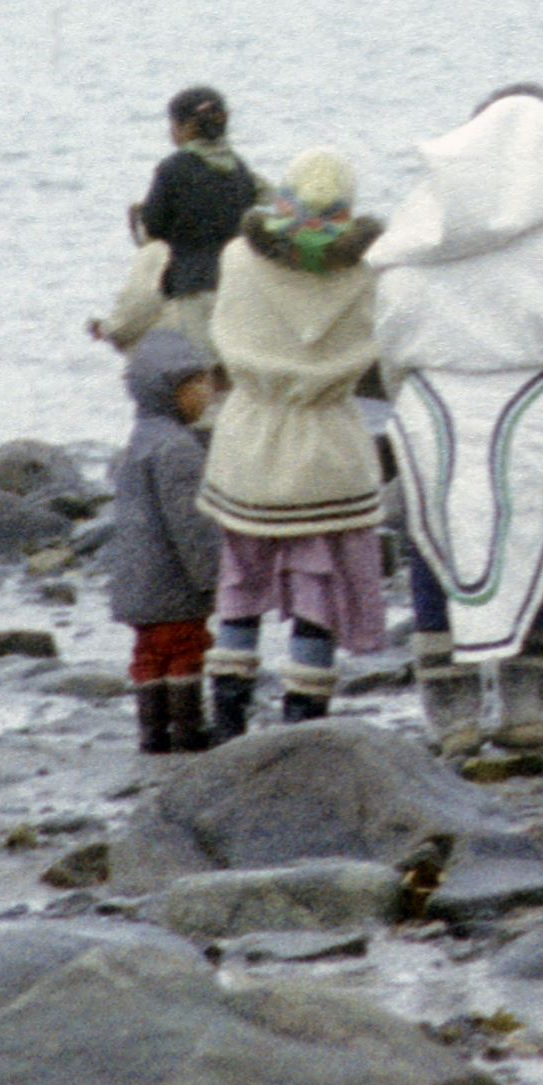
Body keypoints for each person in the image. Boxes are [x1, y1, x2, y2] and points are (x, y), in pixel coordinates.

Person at [370, 86, 543, 766]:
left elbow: (391, 335)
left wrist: (404, 394)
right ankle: (528, 713)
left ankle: (456, 721)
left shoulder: (421, 223)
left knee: (439, 561)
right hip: (531, 406)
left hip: (432, 412)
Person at [200, 153, 392, 738]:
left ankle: (228, 720)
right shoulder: (369, 269)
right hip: (331, 443)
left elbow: (224, 337)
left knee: (239, 581)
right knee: (321, 585)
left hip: (251, 438)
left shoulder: (237, 259)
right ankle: (306, 723)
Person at [106, 328, 225, 753]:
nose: (208, 394)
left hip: (137, 580)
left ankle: (152, 733)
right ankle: (188, 729)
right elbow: (191, 523)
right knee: (185, 650)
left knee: (148, 654)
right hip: (172, 581)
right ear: (169, 391)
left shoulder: (137, 442)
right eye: (198, 385)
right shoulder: (178, 448)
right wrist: (212, 577)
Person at [130, 85, 258, 344]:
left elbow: (153, 227)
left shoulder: (172, 169)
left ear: (181, 128)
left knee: (204, 368)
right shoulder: (239, 169)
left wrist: (137, 220)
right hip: (237, 280)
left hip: (192, 284)